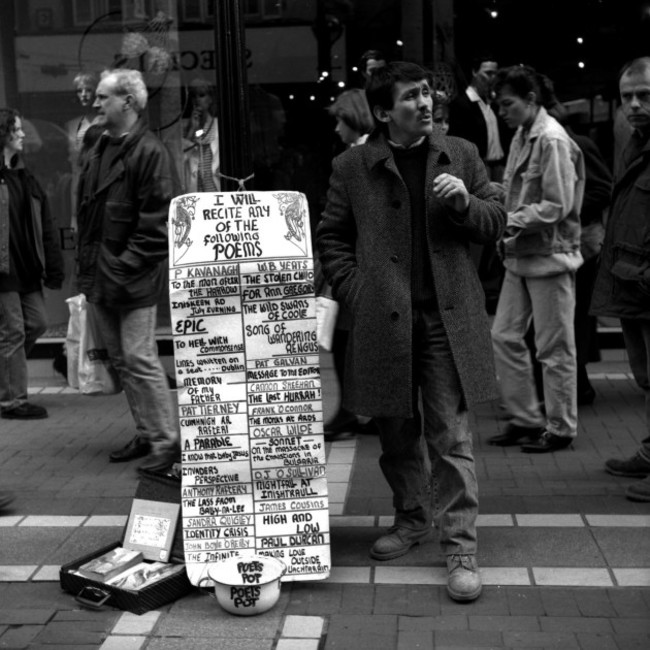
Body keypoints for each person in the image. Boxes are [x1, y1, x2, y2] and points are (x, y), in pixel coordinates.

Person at [316, 61, 506, 602]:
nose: (424, 104)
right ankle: (411, 518)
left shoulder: (461, 154)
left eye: (426, 94)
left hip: (446, 321)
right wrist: (359, 291)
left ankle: (460, 546)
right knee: (396, 432)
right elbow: (331, 237)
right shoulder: (353, 166)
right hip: (384, 322)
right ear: (382, 112)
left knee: (450, 434)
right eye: (410, 97)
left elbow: (498, 218)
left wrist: (466, 205)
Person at [76, 69, 180, 473]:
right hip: (100, 274)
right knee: (121, 359)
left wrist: (122, 266)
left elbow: (158, 225)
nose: (96, 104)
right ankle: (149, 433)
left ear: (129, 102)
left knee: (138, 357)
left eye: (104, 97)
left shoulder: (149, 152)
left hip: (127, 276)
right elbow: (88, 214)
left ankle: (166, 442)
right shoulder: (101, 146)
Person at [489, 65, 585, 453]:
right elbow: (524, 194)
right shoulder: (523, 134)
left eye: (507, 103)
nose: (502, 111)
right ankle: (527, 418)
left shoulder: (551, 138)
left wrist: (508, 218)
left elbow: (557, 204)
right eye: (499, 104)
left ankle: (560, 427)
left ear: (531, 101)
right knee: (504, 335)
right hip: (522, 252)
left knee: (554, 347)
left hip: (550, 255)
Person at [591, 57, 650, 502]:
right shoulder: (636, 143)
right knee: (646, 378)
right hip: (632, 280)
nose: (633, 104)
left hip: (644, 279)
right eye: (627, 96)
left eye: (644, 95)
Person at [541, 78, 612, 406]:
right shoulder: (539, 142)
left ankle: (579, 384)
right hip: (561, 242)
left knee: (576, 314)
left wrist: (560, 212)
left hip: (580, 242)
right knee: (566, 315)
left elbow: (601, 189)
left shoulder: (574, 142)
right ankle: (575, 383)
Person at [0, 108, 64, 420]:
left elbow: (45, 225)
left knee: (37, 323)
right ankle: (12, 401)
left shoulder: (25, 177)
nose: (23, 134)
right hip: (3, 272)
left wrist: (52, 266)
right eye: (17, 129)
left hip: (26, 268)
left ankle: (7, 379)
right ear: (3, 134)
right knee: (12, 332)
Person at [321, 88, 374, 440]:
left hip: (357, 264)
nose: (337, 128)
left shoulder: (359, 158)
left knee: (346, 338)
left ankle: (350, 412)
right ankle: (361, 411)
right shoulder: (361, 154)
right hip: (359, 261)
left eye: (340, 119)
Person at [182, 77, 220, 192]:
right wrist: (191, 130)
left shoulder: (218, 126)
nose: (197, 100)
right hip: (194, 190)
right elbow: (180, 158)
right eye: (194, 96)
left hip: (215, 189)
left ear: (210, 99)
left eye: (202, 95)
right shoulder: (184, 126)